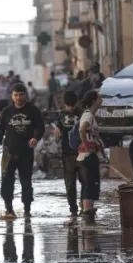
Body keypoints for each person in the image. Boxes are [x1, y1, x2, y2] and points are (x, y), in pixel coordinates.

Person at [0, 83, 45, 219]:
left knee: (26, 182)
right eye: (16, 95)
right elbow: (0, 130)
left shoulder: (33, 110)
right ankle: (9, 209)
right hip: (8, 152)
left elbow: (41, 127)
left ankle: (27, 210)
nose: (19, 98)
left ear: (25, 95)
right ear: (12, 96)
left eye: (21, 95)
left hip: (26, 152)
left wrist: (36, 138)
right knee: (6, 181)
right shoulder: (7, 111)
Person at [76, 90, 104, 224]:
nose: (101, 100)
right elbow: (82, 129)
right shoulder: (88, 116)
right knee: (89, 183)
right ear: (94, 101)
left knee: (90, 183)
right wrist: (87, 145)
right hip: (87, 155)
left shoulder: (89, 115)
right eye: (99, 98)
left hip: (88, 156)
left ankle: (88, 211)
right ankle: (87, 212)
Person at [53, 90, 82, 219]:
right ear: (65, 104)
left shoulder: (82, 114)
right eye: (68, 105)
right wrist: (57, 129)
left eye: (72, 105)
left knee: (84, 181)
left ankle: (85, 205)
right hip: (67, 154)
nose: (70, 108)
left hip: (82, 153)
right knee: (70, 184)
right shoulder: (61, 115)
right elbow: (57, 128)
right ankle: (73, 209)